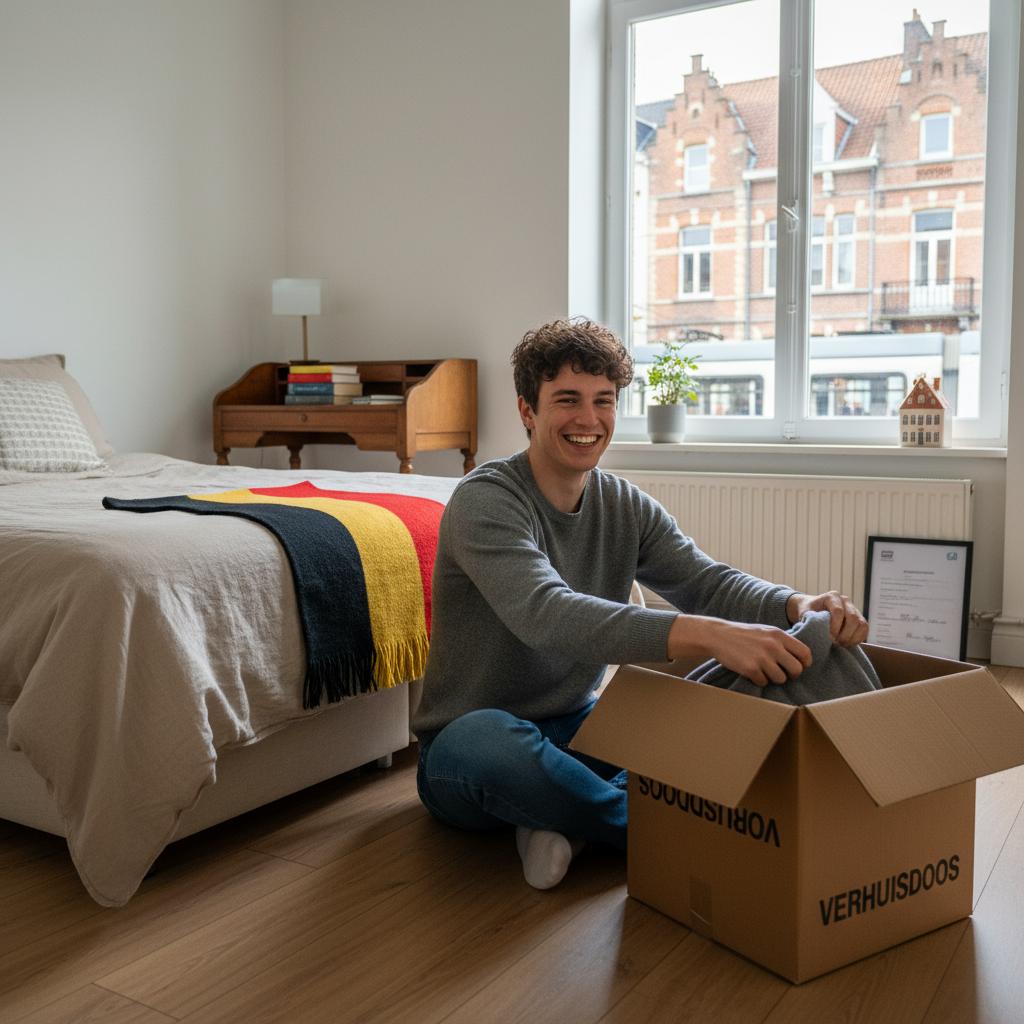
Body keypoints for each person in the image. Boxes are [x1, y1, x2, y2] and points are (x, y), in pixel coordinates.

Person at [410, 318, 868, 890]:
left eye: (604, 401)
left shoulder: (624, 504)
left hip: (579, 730)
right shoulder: (486, 500)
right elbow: (544, 613)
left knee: (691, 699)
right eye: (567, 400)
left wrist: (797, 603)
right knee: (487, 743)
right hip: (467, 747)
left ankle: (567, 822)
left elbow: (706, 581)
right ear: (528, 410)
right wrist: (705, 633)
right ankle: (666, 824)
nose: (588, 419)